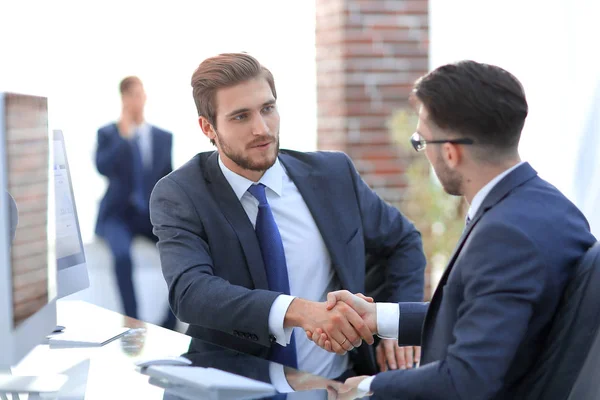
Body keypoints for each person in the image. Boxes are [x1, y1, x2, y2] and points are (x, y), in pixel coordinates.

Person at [308, 60, 597, 399]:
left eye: (421, 142)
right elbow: (483, 315)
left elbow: (467, 381)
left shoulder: (506, 237)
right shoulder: (548, 205)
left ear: (450, 152)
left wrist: (367, 387)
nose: (424, 154)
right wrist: (380, 317)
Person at [149, 52, 427, 383]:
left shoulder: (333, 175)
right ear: (208, 127)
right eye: (240, 117)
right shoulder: (181, 194)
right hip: (234, 387)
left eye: (268, 109)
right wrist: (300, 312)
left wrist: (394, 325)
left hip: (340, 384)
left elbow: (403, 241)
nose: (261, 129)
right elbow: (190, 292)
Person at [95, 76, 177, 330]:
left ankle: (169, 322)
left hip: (149, 215)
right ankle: (133, 323)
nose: (135, 100)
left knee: (179, 254)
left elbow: (168, 178)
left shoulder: (164, 137)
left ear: (145, 97)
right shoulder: (108, 134)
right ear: (123, 99)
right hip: (117, 216)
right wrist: (124, 136)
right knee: (121, 257)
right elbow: (103, 168)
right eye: (130, 95)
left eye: (139, 94)